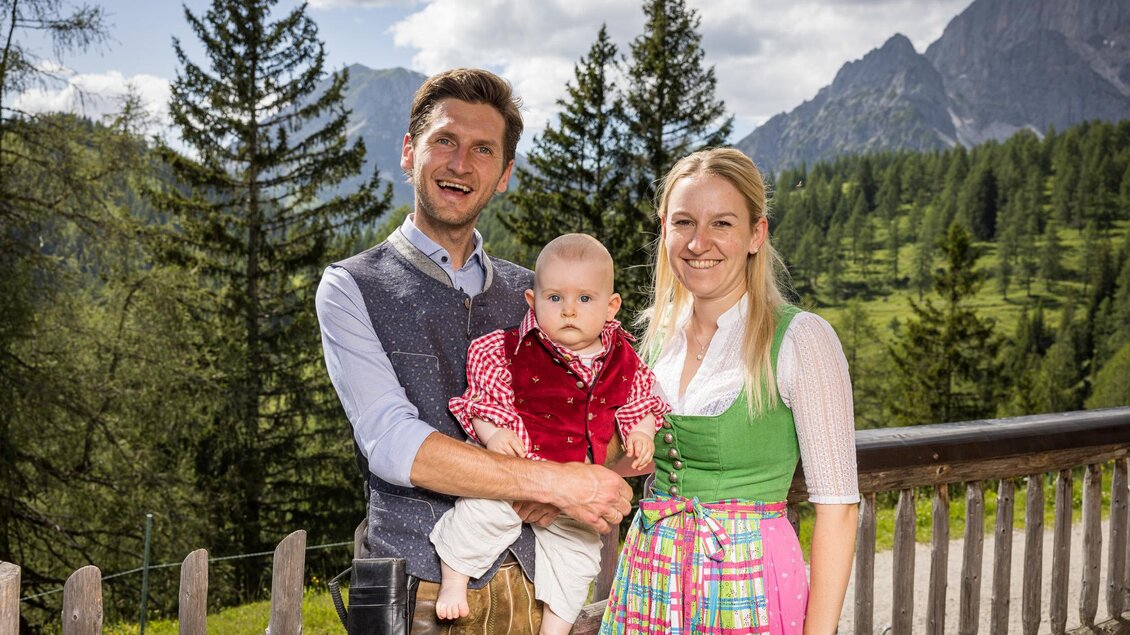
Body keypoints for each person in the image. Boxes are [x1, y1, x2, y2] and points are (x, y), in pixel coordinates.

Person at [316, 68, 632, 634]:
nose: (461, 164)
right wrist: (552, 484)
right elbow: (393, 443)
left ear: (504, 174)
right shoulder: (350, 287)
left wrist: (588, 472)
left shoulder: (535, 296)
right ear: (410, 152)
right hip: (416, 591)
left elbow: (599, 406)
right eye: (445, 141)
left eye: (483, 149)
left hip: (535, 591)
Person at [599, 147, 860, 635]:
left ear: (756, 234)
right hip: (651, 574)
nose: (699, 243)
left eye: (722, 223)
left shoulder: (801, 339)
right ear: (664, 229)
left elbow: (839, 508)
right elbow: (637, 460)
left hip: (749, 582)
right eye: (683, 223)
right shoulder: (652, 342)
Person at [430, 233, 671, 634]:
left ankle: (556, 628)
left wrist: (642, 432)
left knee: (578, 554)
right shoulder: (506, 349)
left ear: (612, 307)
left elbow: (642, 402)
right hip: (516, 469)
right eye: (555, 298)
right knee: (481, 510)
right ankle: (454, 580)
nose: (569, 311)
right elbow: (482, 399)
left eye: (585, 299)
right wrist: (494, 436)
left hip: (577, 492)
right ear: (533, 301)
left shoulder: (624, 359)